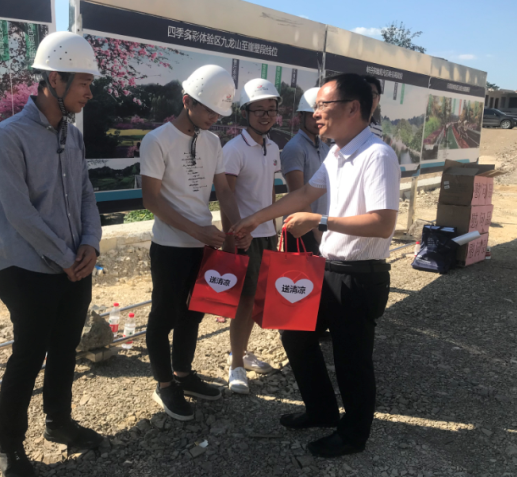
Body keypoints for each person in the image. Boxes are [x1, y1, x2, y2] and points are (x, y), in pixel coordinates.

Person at [232, 73, 400, 457]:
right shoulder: (337, 154)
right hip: (328, 268)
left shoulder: (377, 155)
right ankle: (321, 410)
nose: (315, 113)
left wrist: (320, 221)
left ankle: (353, 435)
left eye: (323, 105)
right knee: (294, 333)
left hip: (359, 276)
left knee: (351, 359)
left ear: (353, 108)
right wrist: (255, 219)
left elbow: (383, 222)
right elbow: (306, 193)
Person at [0, 31, 104, 477]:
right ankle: (9, 446)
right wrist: (66, 258)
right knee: (28, 356)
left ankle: (58, 422)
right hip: (28, 270)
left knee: (66, 349)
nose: (88, 93)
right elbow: (19, 213)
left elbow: (86, 194)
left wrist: (90, 244)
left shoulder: (72, 137)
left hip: (74, 266)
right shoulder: (7, 137)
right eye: (83, 84)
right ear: (54, 78)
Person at [140, 65, 249, 421]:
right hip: (170, 246)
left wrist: (237, 229)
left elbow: (225, 191)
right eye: (209, 110)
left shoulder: (212, 142)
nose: (214, 118)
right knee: (164, 315)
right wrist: (198, 231)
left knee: (194, 312)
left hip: (203, 246)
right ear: (187, 101)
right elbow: (151, 200)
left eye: (219, 113)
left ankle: (183, 374)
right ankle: (164, 384)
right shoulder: (157, 140)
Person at [220, 78, 281, 394]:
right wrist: (232, 240)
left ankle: (241, 352)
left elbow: (269, 192)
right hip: (245, 238)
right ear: (245, 112)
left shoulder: (273, 147)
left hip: (267, 234)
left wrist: (276, 228)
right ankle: (235, 366)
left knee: (258, 300)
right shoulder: (233, 150)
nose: (266, 115)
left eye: (271, 109)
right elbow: (225, 197)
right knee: (243, 303)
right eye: (259, 110)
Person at [280, 87, 330, 255]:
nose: (318, 119)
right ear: (301, 116)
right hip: (301, 229)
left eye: (321, 115)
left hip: (320, 225)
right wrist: (316, 232)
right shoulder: (295, 148)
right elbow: (298, 194)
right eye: (312, 116)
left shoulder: (324, 147)